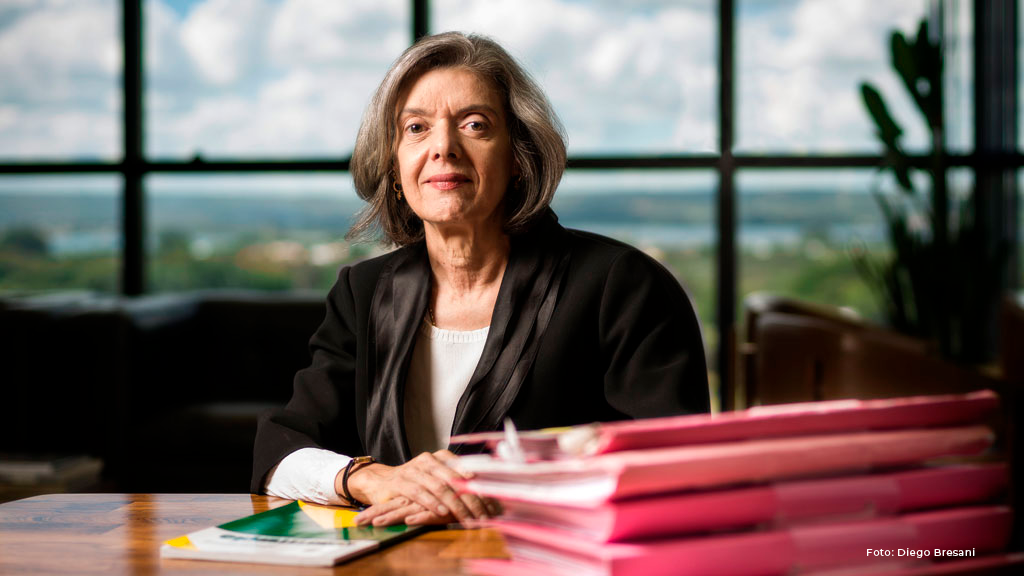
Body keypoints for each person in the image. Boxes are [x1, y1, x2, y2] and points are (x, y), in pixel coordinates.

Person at [251, 31, 709, 528]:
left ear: (518, 157)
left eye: (475, 125)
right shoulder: (362, 293)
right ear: (394, 163)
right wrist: (370, 478)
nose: (443, 147)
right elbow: (280, 454)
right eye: (416, 128)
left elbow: (674, 466)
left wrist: (485, 487)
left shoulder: (621, 286)